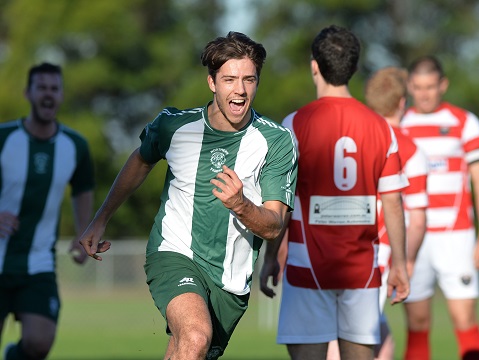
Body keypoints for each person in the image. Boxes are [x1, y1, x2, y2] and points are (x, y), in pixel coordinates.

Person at [78, 31, 297, 360]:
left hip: (230, 281)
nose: (239, 90)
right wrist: (100, 220)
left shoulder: (276, 142)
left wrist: (240, 204)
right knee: (195, 337)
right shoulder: (174, 126)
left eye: (249, 80)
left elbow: (274, 225)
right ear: (212, 82)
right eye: (229, 79)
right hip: (174, 253)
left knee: (187, 349)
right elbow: (140, 160)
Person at [260, 25, 410, 360]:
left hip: (305, 266)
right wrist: (399, 263)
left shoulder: (294, 124)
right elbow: (393, 204)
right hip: (362, 270)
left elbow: (280, 203)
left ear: (314, 65)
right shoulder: (381, 127)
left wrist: (271, 258)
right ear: (354, 69)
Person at [0, 62, 95, 359]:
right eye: (41, 88)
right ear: (28, 93)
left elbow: (83, 189)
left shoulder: (75, 146)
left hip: (38, 263)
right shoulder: (4, 138)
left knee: (39, 344)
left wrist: (84, 232)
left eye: (54, 88)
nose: (48, 95)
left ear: (62, 95)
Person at [400, 56, 479, 360]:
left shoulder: (465, 122)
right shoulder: (400, 124)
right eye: (418, 87)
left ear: (442, 85)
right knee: (417, 324)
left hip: (456, 235)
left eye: (431, 87)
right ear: (409, 87)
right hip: (413, 238)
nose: (424, 94)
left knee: (464, 320)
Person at [364, 66, 429, 359]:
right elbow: (417, 219)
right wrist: (408, 260)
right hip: (383, 251)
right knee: (365, 332)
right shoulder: (412, 150)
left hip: (346, 244)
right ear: (403, 102)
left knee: (365, 331)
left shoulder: (355, 136)